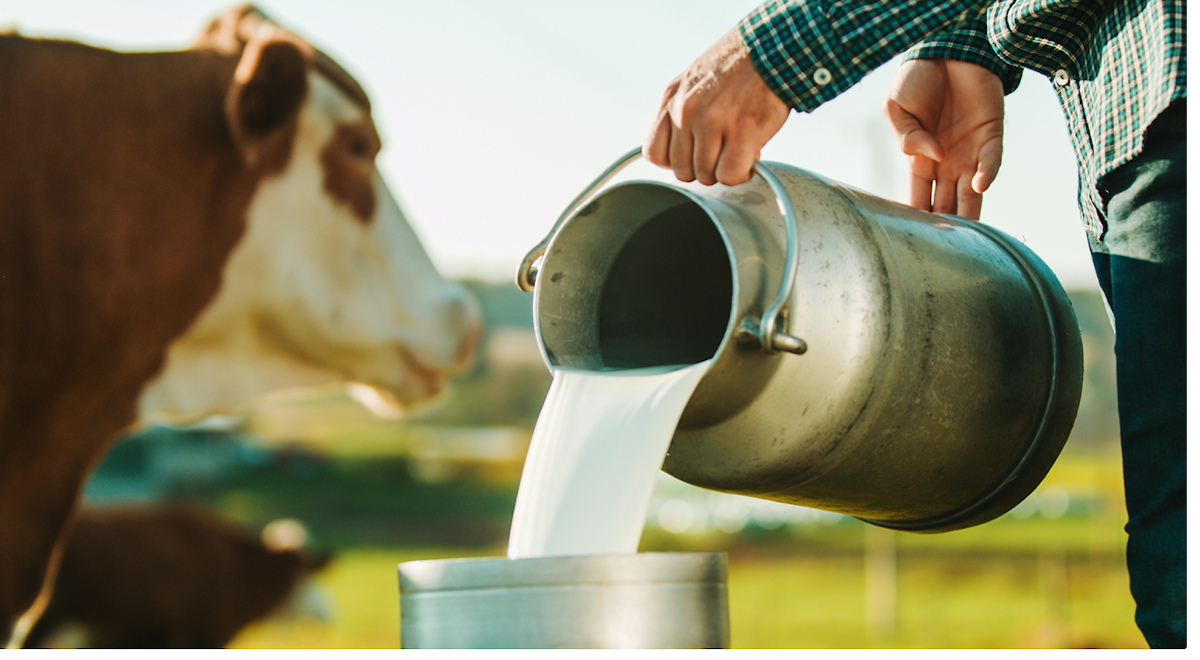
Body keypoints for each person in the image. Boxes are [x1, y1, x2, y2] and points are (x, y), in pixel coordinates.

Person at [643, 0, 1185, 649]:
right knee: (1176, 565)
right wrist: (962, 44)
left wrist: (769, 54)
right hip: (1135, 127)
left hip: (1173, 103)